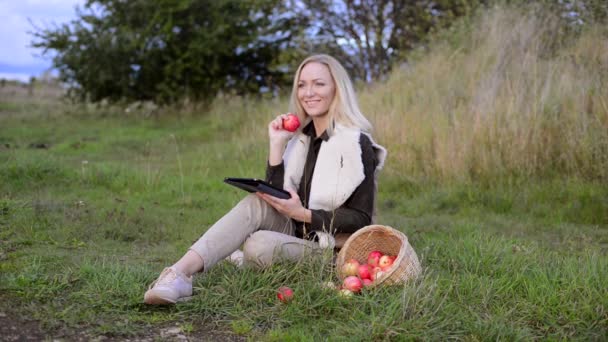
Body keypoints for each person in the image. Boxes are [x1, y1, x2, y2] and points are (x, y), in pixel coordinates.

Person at [144, 54, 387, 305]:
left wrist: (303, 214)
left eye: (319, 84)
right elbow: (276, 196)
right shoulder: (300, 138)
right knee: (255, 202)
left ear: (337, 88)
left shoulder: (356, 144)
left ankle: (231, 250)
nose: (308, 92)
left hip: (329, 250)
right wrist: (276, 144)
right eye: (302, 85)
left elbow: (361, 219)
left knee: (257, 245)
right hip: (290, 231)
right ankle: (178, 275)